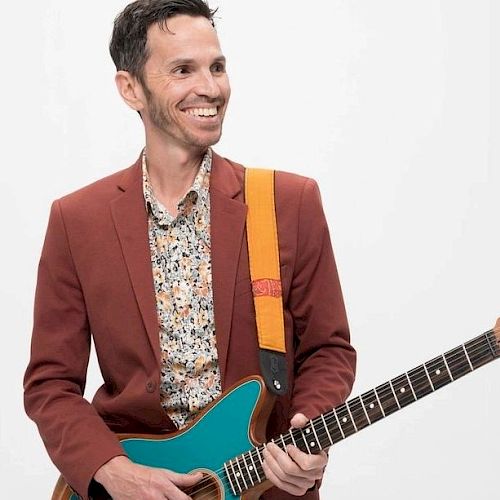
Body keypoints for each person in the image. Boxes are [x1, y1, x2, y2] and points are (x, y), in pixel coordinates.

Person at [24, 1, 356, 498]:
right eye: (183, 69)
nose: (211, 88)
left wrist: (308, 433)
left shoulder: (288, 203)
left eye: (217, 67)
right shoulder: (76, 221)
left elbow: (328, 349)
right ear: (130, 88)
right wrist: (112, 470)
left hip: (262, 485)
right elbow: (50, 384)